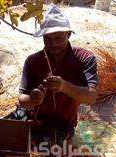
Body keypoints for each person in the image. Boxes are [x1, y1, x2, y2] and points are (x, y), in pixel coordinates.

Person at [17, 4, 98, 145]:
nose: (53, 44)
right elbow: (22, 100)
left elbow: (91, 97)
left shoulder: (85, 59)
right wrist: (32, 99)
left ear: (68, 34)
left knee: (48, 148)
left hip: (62, 123)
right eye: (48, 39)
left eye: (58, 38)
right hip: (32, 118)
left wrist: (63, 86)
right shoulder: (33, 61)